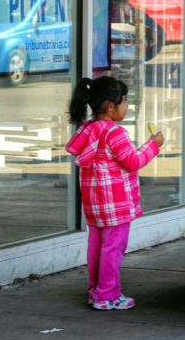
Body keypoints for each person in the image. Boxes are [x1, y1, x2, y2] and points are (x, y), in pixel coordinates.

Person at [65, 76, 164, 310]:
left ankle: (96, 289)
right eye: (125, 101)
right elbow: (132, 162)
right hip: (116, 203)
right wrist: (153, 144)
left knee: (97, 247)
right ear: (111, 106)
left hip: (94, 203)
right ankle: (107, 295)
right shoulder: (115, 132)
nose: (127, 106)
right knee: (113, 248)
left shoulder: (88, 130)